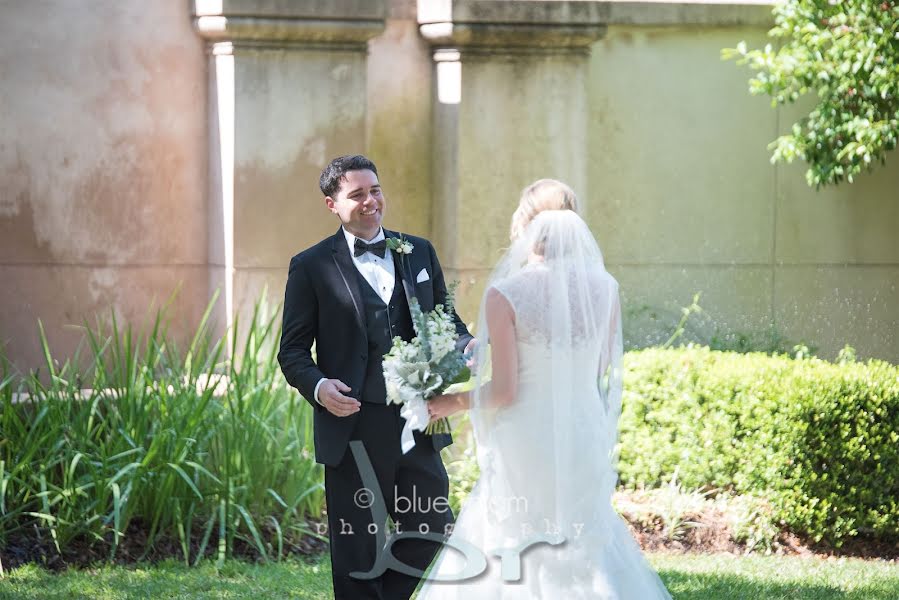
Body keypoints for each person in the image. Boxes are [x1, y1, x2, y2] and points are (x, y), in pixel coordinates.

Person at [417, 180, 672, 599]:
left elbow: (503, 392)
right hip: (582, 428)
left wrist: (452, 402)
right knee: (581, 534)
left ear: (525, 223)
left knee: (513, 533)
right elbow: (598, 367)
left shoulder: (507, 293)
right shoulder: (605, 289)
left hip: (526, 436)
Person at [278, 154, 474, 600]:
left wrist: (468, 346)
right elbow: (291, 351)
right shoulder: (311, 266)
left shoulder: (417, 250)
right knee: (357, 546)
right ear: (332, 204)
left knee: (432, 527)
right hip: (352, 424)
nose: (371, 202)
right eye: (357, 194)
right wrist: (319, 387)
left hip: (416, 417)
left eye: (376, 190)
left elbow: (446, 319)